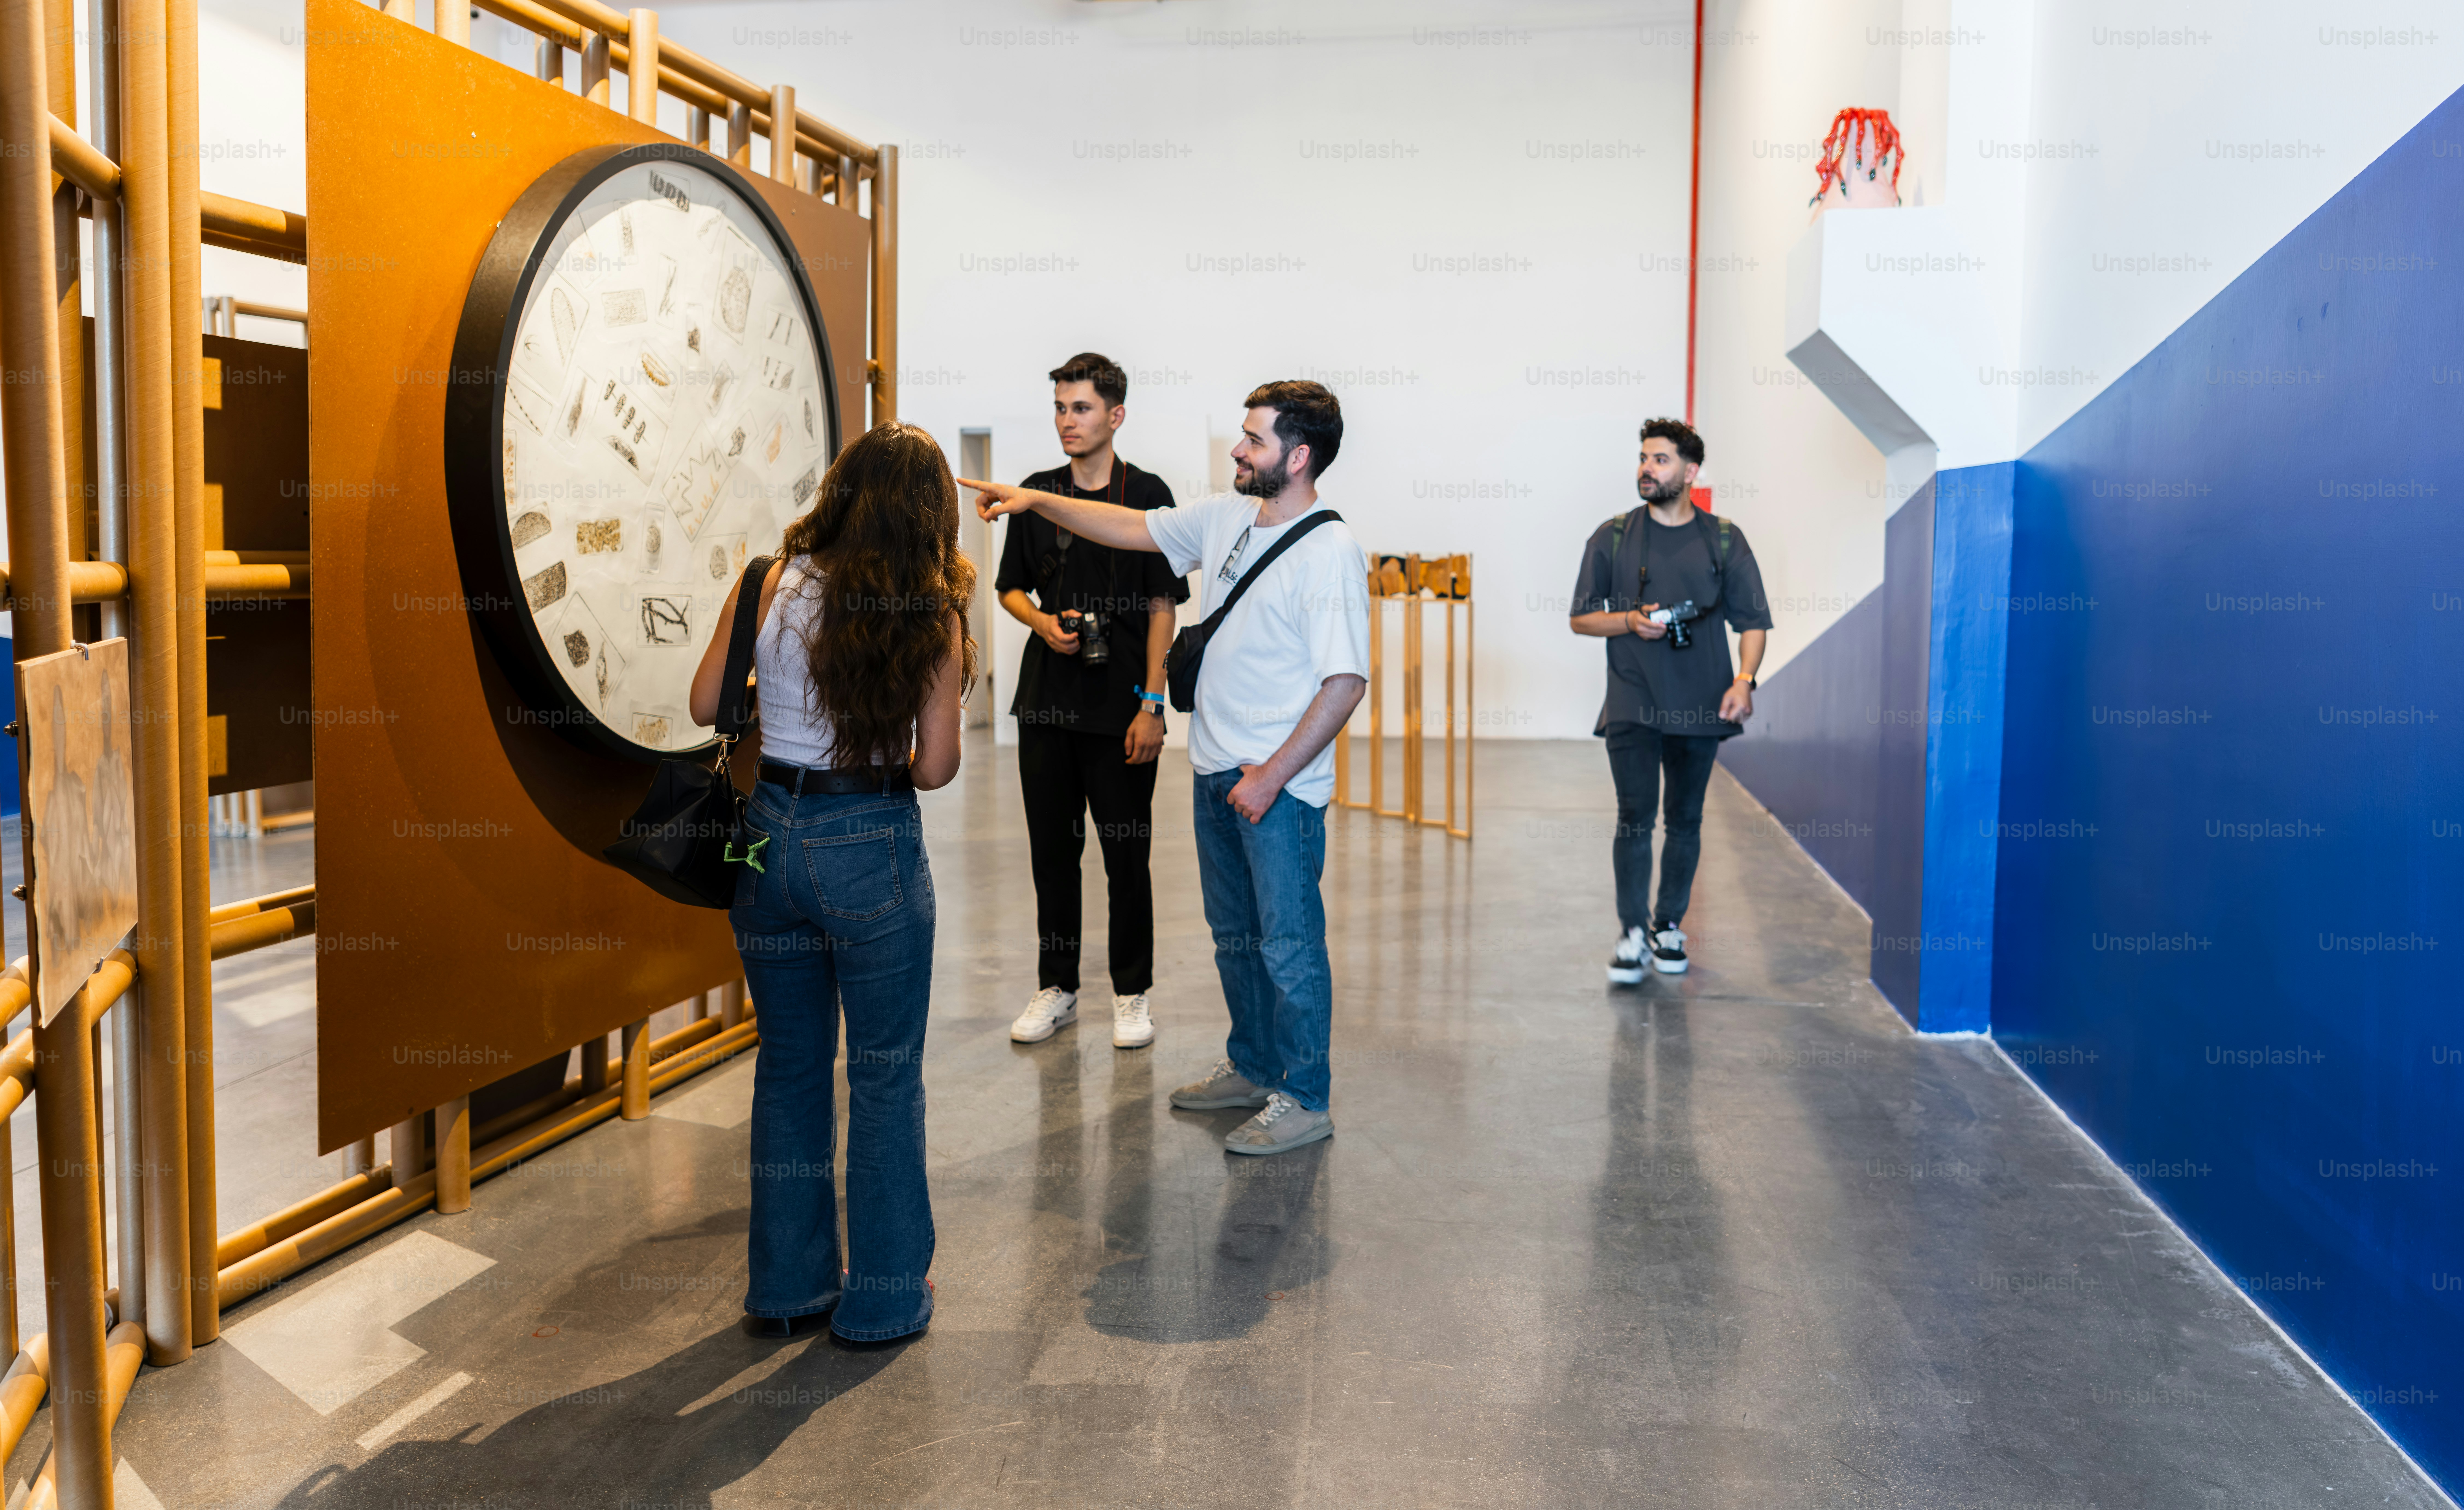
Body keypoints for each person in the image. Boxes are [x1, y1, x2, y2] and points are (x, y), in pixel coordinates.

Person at [963, 380, 1368, 1156]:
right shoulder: (1226, 517)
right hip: (1217, 770)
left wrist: (1271, 775)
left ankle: (1305, 1096)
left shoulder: (1330, 553)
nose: (1238, 449)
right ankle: (1253, 1067)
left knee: (1288, 945)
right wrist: (1035, 501)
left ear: (1298, 456)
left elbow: (1344, 684)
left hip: (1274, 787)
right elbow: (1128, 526)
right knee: (1234, 937)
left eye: (1254, 440)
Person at [689, 420, 975, 1345]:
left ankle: (787, 1288)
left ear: (841, 490)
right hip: (870, 839)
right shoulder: (931, 612)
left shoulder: (768, 580)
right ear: (930, 514)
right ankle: (884, 1297)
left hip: (769, 838)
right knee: (885, 1075)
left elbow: (705, 704)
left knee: (789, 1065)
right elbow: (936, 768)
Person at [995, 353, 1189, 1051]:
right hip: (1046, 702)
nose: (1066, 421)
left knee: (1125, 857)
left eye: (1080, 408)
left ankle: (1131, 993)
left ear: (1116, 415)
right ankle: (1058, 986)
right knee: (1053, 854)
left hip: (1122, 707)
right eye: (1059, 407)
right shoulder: (1035, 493)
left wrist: (1152, 705)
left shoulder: (1150, 494)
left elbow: (1163, 607)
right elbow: (1009, 587)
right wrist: (1042, 622)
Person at [1568, 418, 1772, 984]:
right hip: (1631, 701)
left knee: (1685, 819)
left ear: (1690, 471)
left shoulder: (1724, 539)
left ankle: (1668, 926)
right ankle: (1632, 932)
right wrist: (1628, 621)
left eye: (1660, 460)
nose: (1646, 469)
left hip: (1702, 703)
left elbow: (1753, 623)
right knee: (1634, 817)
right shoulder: (1612, 536)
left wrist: (1744, 680)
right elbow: (1581, 618)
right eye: (1643, 458)